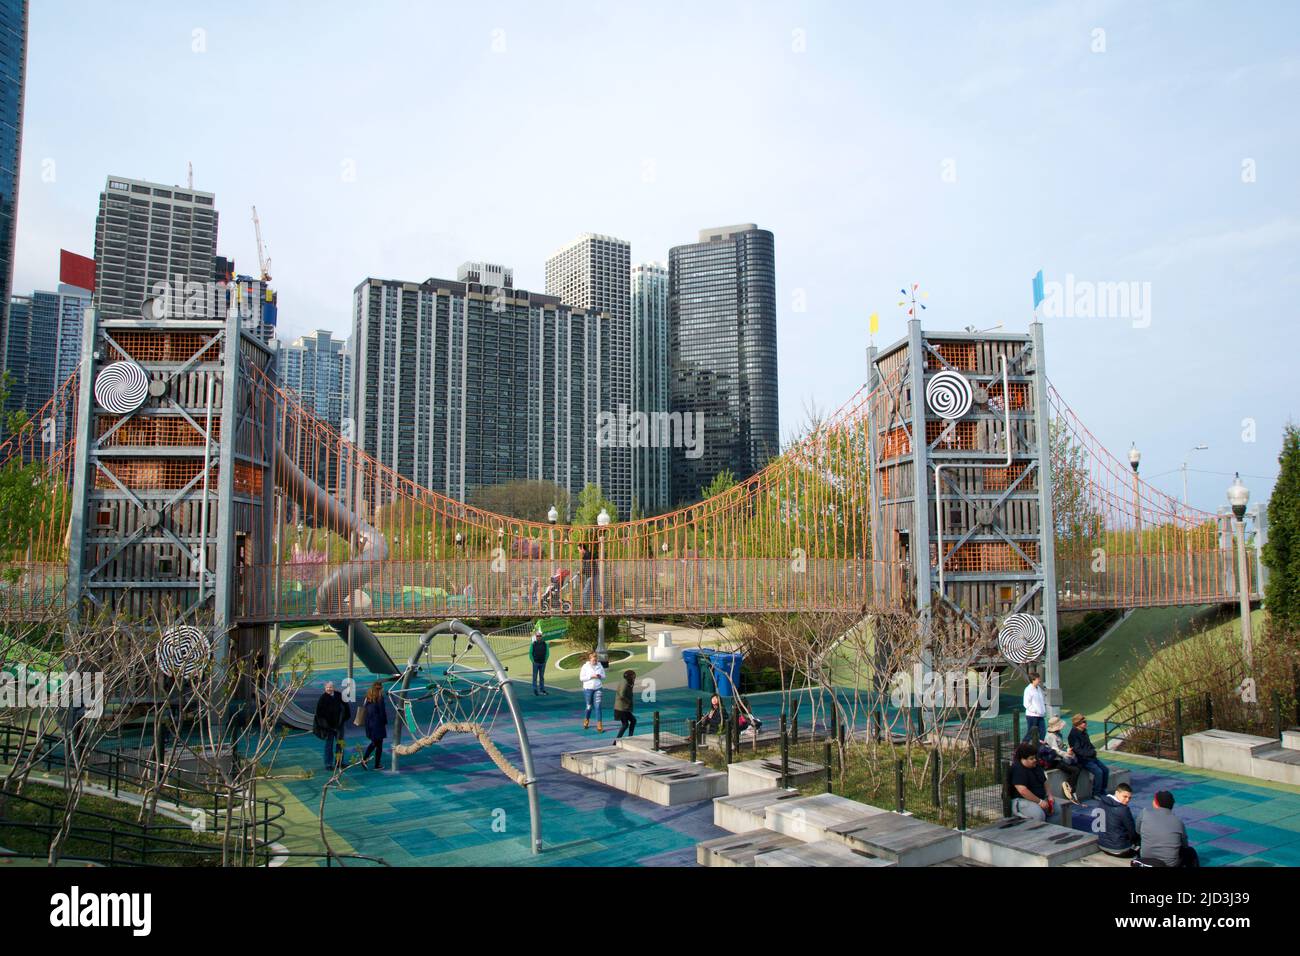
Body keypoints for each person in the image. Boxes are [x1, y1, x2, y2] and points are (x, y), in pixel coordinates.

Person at [1134, 790, 1198, 867]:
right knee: (1190, 852)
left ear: (1156, 803)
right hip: (1169, 864)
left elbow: (1137, 831)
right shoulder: (1178, 822)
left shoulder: (1144, 813)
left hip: (1145, 858)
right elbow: (1184, 844)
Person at [1008, 742, 1057, 822]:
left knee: (1057, 809)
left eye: (1035, 758)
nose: (1035, 760)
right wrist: (1039, 802)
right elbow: (1023, 791)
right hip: (1021, 800)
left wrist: (1049, 795)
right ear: (1023, 759)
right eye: (1031, 759)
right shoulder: (1017, 769)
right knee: (1038, 815)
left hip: (1040, 798)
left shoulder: (1036, 766)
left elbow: (1045, 781)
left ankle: (1053, 832)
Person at [1041, 715, 1082, 803]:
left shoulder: (1058, 733)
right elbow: (1055, 750)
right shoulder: (1051, 736)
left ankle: (1069, 784)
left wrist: (1068, 749)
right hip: (1054, 760)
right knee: (1075, 770)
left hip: (1059, 757)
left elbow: (1062, 746)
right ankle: (1071, 790)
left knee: (1079, 765)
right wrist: (1066, 754)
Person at [1067, 713, 1109, 797]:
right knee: (1099, 772)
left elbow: (1088, 744)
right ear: (1077, 724)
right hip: (1083, 759)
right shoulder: (1073, 735)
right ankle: (1096, 793)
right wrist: (1091, 753)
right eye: (1083, 722)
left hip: (1091, 757)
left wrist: (1093, 750)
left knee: (1106, 770)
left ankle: (1102, 790)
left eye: (1085, 721)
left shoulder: (1083, 732)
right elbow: (1077, 750)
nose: (1085, 723)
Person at [313, 681, 351, 770]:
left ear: (333, 687)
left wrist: (343, 719)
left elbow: (345, 707)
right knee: (329, 745)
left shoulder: (339, 695)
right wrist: (325, 726)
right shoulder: (322, 699)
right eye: (327, 688)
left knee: (340, 744)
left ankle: (339, 762)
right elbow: (319, 714)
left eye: (330, 687)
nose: (329, 689)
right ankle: (328, 764)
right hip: (328, 727)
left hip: (339, 725)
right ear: (325, 688)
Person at [1095, 783, 1139, 857]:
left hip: (1102, 845)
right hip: (1119, 850)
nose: (1127, 800)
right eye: (1125, 796)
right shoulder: (1123, 810)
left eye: (1129, 798)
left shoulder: (1102, 802)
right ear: (1116, 793)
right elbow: (1132, 831)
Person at [361, 682, 388, 770]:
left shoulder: (367, 698)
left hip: (369, 723)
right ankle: (365, 759)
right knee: (376, 744)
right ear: (380, 689)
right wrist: (384, 722)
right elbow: (382, 712)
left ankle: (376, 763)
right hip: (377, 724)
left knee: (377, 744)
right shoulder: (380, 699)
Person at [579, 651, 606, 732]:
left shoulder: (600, 666)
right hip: (588, 689)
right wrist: (591, 676)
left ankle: (599, 724)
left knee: (598, 706)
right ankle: (586, 720)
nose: (595, 661)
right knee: (589, 706)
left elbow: (604, 676)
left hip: (598, 688)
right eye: (593, 660)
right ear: (590, 659)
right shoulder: (585, 667)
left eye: (596, 659)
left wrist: (600, 676)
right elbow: (581, 678)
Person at [1022, 673, 1046, 743]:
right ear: (1033, 680)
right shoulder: (1028, 689)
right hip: (1032, 716)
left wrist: (1043, 711)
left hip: (1040, 715)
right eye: (1038, 679)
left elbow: (1041, 701)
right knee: (1031, 733)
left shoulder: (1038, 688)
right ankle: (1022, 747)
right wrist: (1035, 711)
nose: (1039, 680)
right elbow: (1026, 703)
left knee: (1042, 732)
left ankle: (1040, 748)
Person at [614, 670, 637, 738]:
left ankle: (630, 737)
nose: (634, 678)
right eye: (633, 677)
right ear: (630, 677)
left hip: (624, 708)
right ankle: (616, 741)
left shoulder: (627, 682)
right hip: (621, 708)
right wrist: (628, 702)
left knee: (633, 720)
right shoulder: (625, 683)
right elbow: (621, 695)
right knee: (625, 724)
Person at [529, 627, 550, 696]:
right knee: (535, 677)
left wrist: (545, 661)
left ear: (541, 636)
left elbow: (547, 653)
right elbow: (530, 653)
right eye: (537, 636)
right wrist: (533, 661)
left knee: (541, 677)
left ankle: (542, 689)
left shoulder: (545, 644)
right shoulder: (533, 644)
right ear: (536, 637)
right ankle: (535, 689)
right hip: (535, 663)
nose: (539, 637)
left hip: (543, 663)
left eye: (540, 636)